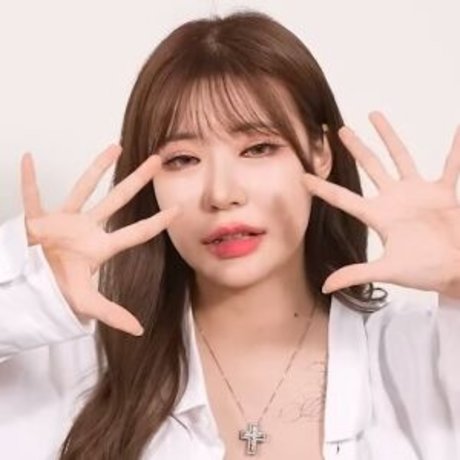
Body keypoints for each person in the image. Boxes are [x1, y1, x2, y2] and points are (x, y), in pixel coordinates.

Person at [1, 9, 460, 460]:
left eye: (258, 148)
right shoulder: (70, 367)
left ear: (320, 152)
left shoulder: (423, 355)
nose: (222, 194)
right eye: (182, 159)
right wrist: (31, 291)